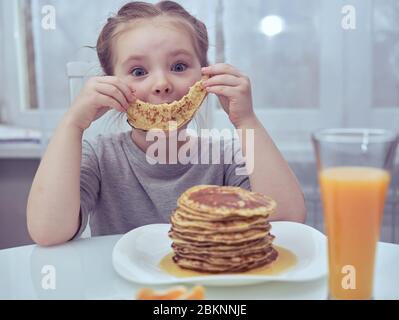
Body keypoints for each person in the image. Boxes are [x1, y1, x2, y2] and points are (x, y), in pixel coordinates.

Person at [27, 1, 306, 247]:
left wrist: (247, 121)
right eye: (138, 71)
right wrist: (72, 125)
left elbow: (288, 224)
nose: (161, 84)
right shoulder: (99, 156)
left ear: (205, 75)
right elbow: (48, 232)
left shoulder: (225, 158)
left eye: (179, 67)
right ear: (109, 83)